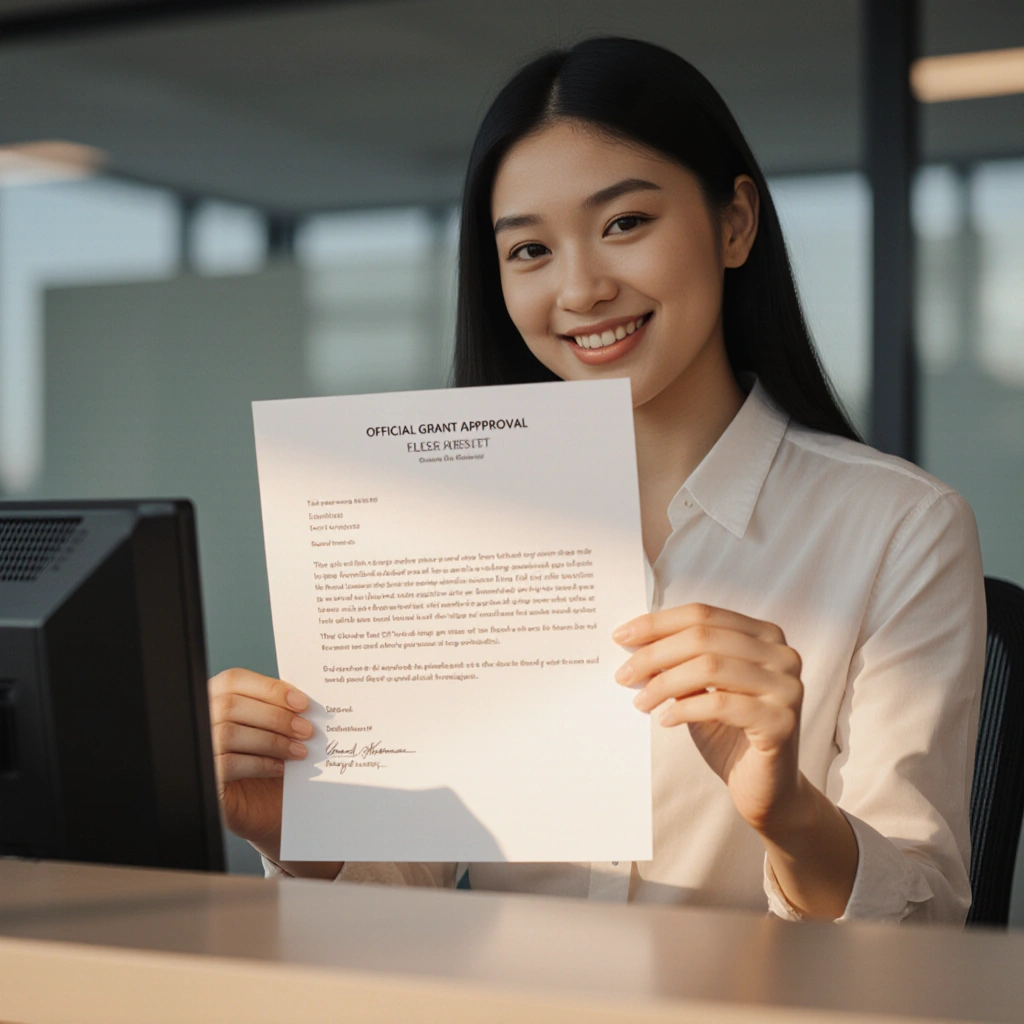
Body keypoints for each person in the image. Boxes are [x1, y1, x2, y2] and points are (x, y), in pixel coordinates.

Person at [209, 37, 985, 923]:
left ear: (734, 224)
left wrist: (793, 817)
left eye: (624, 224)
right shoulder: (444, 528)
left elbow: (928, 935)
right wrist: (298, 836)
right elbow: (402, 897)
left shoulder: (900, 527)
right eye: (530, 251)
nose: (580, 290)